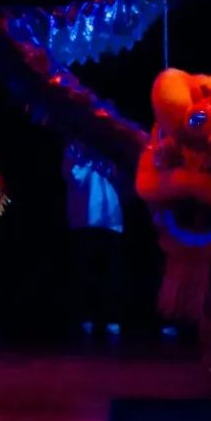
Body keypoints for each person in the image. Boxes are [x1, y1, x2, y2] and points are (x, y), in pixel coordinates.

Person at [63, 140, 127, 337]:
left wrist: (109, 163)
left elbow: (123, 178)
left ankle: (112, 317)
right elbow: (69, 175)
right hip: (84, 216)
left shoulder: (112, 146)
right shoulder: (74, 147)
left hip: (111, 218)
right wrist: (88, 158)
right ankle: (87, 316)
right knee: (86, 269)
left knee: (112, 270)